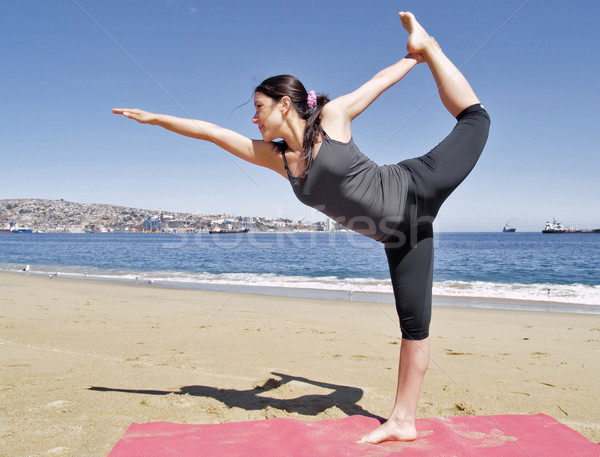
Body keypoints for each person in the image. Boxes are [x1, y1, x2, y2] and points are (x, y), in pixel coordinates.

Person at [113, 12, 490, 444]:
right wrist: (155, 118)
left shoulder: (332, 118)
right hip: (402, 237)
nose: (253, 118)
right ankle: (404, 420)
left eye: (258, 107)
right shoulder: (278, 160)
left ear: (284, 103)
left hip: (415, 186)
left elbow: (379, 82)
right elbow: (211, 132)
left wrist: (416, 58)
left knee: (476, 120)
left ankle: (431, 47)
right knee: (414, 327)